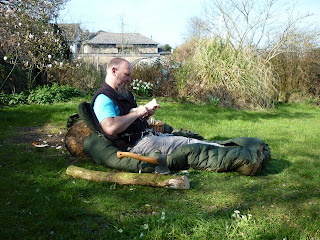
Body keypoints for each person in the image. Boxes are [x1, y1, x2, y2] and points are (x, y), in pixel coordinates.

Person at [91, 57, 223, 154]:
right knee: (187, 144)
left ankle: (222, 147)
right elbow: (110, 127)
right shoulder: (103, 98)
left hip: (146, 136)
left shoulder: (124, 93)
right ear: (114, 71)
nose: (129, 80)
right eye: (126, 75)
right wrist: (137, 112)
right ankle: (225, 151)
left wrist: (145, 113)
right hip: (134, 145)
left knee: (183, 139)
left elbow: (128, 118)